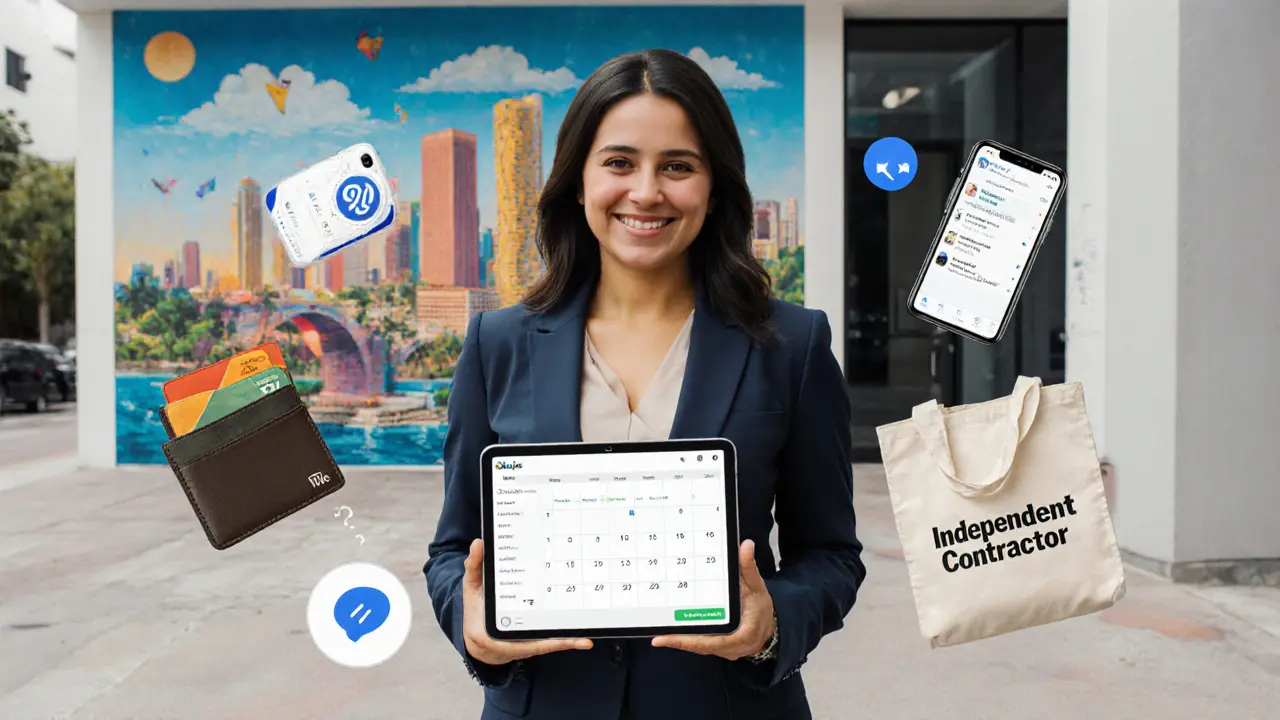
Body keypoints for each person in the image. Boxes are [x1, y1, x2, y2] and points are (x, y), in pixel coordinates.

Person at [424, 48, 866, 720]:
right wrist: (472, 619)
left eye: (678, 167)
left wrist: (772, 620)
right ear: (578, 181)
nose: (647, 192)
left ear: (715, 186)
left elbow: (831, 555)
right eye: (620, 162)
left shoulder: (792, 346)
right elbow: (452, 549)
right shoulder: (498, 344)